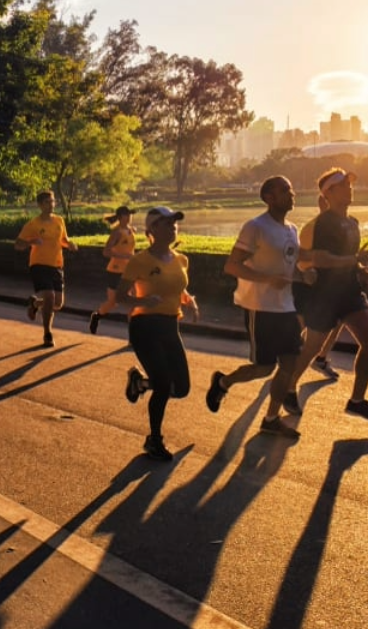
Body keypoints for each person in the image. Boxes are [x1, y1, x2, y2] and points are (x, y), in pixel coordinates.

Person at [205, 176, 310, 440]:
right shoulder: (255, 227)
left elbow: (288, 265)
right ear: (269, 198)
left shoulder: (292, 230)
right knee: (264, 368)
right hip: (260, 307)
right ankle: (222, 382)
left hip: (286, 307)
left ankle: (271, 418)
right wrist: (265, 280)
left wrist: (304, 275)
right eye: (285, 190)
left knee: (290, 363)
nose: (292, 193)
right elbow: (232, 265)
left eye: (291, 188)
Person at [286, 167, 368, 420]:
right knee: (311, 348)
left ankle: (357, 400)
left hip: (351, 292)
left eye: (350, 184)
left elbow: (346, 260)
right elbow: (323, 259)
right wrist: (355, 260)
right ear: (328, 193)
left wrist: (361, 270)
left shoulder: (352, 223)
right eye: (343, 185)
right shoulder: (323, 225)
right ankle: (288, 387)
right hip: (324, 295)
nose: (350, 189)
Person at [117, 206, 199, 461]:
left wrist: (190, 301)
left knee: (182, 387)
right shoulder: (139, 261)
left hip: (170, 326)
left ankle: (140, 383)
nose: (172, 226)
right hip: (145, 327)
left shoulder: (181, 259)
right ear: (151, 230)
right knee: (164, 385)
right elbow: (121, 297)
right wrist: (142, 303)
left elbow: (177, 287)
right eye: (165, 223)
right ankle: (154, 440)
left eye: (174, 222)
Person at [14, 190, 78, 347]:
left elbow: (63, 240)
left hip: (56, 264)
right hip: (39, 264)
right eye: (48, 202)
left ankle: (35, 304)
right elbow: (18, 245)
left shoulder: (59, 221)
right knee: (49, 297)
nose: (52, 205)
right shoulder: (33, 224)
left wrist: (69, 244)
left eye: (53, 201)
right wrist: (31, 242)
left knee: (57, 303)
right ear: (40, 205)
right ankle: (47, 334)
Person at [292, 193, 344, 381]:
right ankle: (287, 358)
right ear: (323, 203)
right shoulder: (311, 228)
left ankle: (320, 357)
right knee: (302, 324)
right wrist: (309, 272)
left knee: (338, 319)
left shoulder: (344, 225)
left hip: (330, 284)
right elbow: (300, 258)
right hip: (307, 282)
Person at [89, 206, 136, 335]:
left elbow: (130, 250)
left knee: (133, 301)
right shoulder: (116, 232)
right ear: (120, 217)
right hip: (115, 270)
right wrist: (123, 256)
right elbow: (106, 252)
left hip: (129, 271)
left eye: (130, 214)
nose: (130, 217)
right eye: (127, 215)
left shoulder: (131, 231)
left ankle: (133, 335)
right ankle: (97, 316)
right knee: (113, 302)